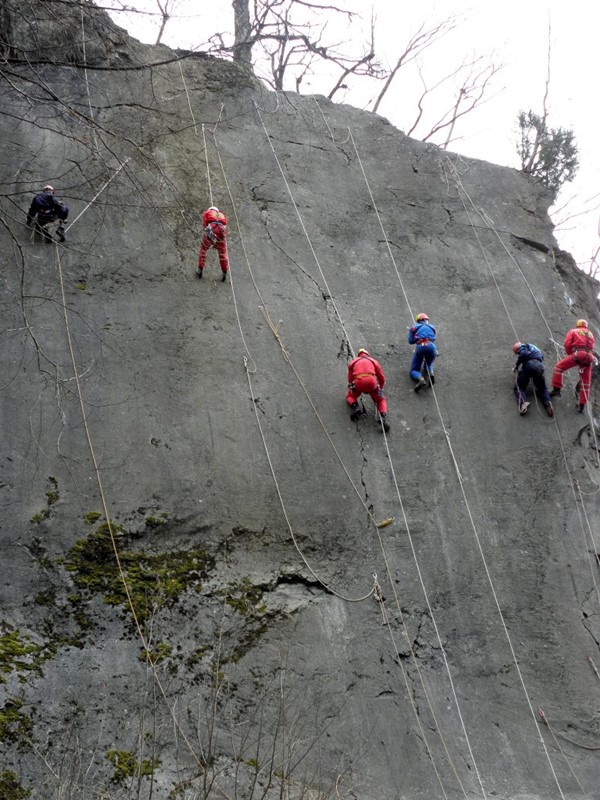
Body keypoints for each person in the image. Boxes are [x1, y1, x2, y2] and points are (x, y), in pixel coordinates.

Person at [550, 319, 595, 412]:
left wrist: (570, 354)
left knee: (559, 368)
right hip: (589, 357)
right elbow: (591, 346)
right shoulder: (590, 334)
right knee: (586, 382)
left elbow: (567, 344)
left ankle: (556, 389)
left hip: (578, 354)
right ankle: (582, 405)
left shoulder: (574, 331)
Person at [346, 348, 390, 432]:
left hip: (358, 382)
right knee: (381, 400)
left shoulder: (353, 362)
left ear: (359, 355)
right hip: (371, 382)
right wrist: (380, 388)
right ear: (367, 354)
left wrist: (353, 386)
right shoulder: (373, 361)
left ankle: (356, 407)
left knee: (350, 396)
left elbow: (350, 379)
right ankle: (383, 417)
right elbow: (381, 378)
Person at [512, 342, 553, 417]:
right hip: (540, 367)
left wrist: (517, 365)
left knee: (519, 388)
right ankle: (548, 403)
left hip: (530, 365)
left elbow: (523, 354)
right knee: (542, 389)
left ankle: (523, 404)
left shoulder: (522, 347)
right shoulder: (533, 348)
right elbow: (541, 357)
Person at [196, 206, 229, 282]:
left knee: (203, 250)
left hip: (211, 232)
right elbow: (225, 225)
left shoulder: (207, 213)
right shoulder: (222, 215)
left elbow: (204, 224)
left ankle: (200, 270)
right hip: (221, 233)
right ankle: (224, 272)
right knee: (223, 253)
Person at [408, 313, 437, 391]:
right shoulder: (432, 327)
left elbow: (410, 341)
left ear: (418, 320)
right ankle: (430, 372)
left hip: (421, 346)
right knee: (429, 363)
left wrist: (416, 337)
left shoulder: (414, 327)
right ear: (426, 320)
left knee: (414, 370)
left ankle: (421, 379)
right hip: (432, 347)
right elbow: (433, 339)